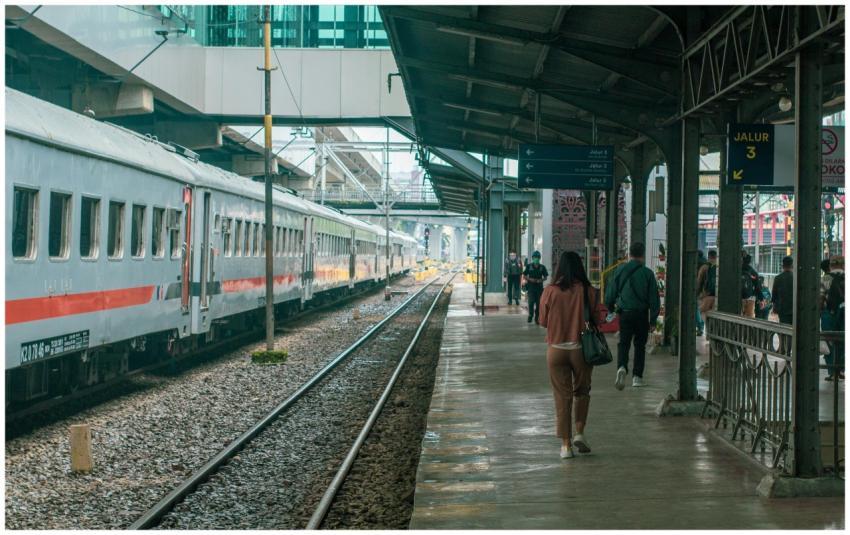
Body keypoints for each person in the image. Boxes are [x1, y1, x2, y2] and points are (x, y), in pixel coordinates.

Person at [539, 251, 598, 459]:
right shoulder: (588, 291)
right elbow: (597, 319)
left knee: (562, 397)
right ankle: (580, 433)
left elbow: (542, 321)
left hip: (556, 351)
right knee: (582, 391)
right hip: (581, 350)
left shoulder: (550, 291)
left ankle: (565, 446)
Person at [604, 242, 660, 390]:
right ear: (643, 254)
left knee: (624, 343)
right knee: (640, 346)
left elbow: (610, 293)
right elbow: (654, 299)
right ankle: (637, 377)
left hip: (625, 314)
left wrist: (610, 309)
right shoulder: (648, 273)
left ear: (630, 253)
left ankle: (622, 367)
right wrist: (653, 319)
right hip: (641, 315)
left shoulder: (620, 270)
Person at [823, 256, 844, 381]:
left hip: (829, 314)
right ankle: (841, 368)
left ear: (831, 266)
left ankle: (832, 371)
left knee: (829, 341)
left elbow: (819, 298)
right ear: (843, 265)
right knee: (844, 341)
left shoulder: (825, 279)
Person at [523, 250, 549, 324]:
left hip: (539, 288)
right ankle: (530, 315)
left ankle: (537, 317)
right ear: (533, 258)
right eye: (535, 257)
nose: (536, 259)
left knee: (538, 303)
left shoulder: (542, 267)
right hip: (531, 287)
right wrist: (529, 279)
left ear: (539, 258)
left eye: (537, 257)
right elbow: (524, 275)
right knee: (531, 302)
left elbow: (546, 277)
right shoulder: (529, 266)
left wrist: (541, 280)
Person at [696, 249, 718, 334]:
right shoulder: (719, 266)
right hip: (717, 296)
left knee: (703, 313)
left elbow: (699, 282)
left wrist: (697, 294)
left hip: (706, 296)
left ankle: (708, 333)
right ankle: (713, 333)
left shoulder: (704, 267)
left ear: (709, 257)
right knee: (715, 315)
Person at [771, 255, 794, 325]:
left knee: (785, 329)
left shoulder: (778, 278)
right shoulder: (796, 277)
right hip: (795, 309)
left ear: (783, 266)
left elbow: (774, 294)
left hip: (782, 309)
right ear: (792, 266)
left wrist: (774, 307)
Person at [741, 252, 759, 317]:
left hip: (738, 298)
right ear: (750, 261)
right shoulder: (752, 271)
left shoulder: (737, 269)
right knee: (749, 319)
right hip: (749, 298)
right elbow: (757, 286)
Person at [695, 250, 707, 336]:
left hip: (698, 288)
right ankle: (702, 326)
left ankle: (700, 327)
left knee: (696, 308)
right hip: (705, 290)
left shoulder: (696, 262)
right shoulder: (706, 262)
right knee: (702, 308)